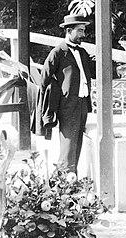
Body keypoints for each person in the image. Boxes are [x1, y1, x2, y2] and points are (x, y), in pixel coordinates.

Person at [35, 15, 94, 174]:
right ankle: (64, 182)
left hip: (82, 103)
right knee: (68, 144)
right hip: (67, 104)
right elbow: (44, 81)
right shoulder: (58, 52)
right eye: (79, 31)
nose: (83, 34)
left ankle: (70, 179)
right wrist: (54, 101)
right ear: (69, 30)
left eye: (83, 30)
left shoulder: (82, 52)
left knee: (77, 143)